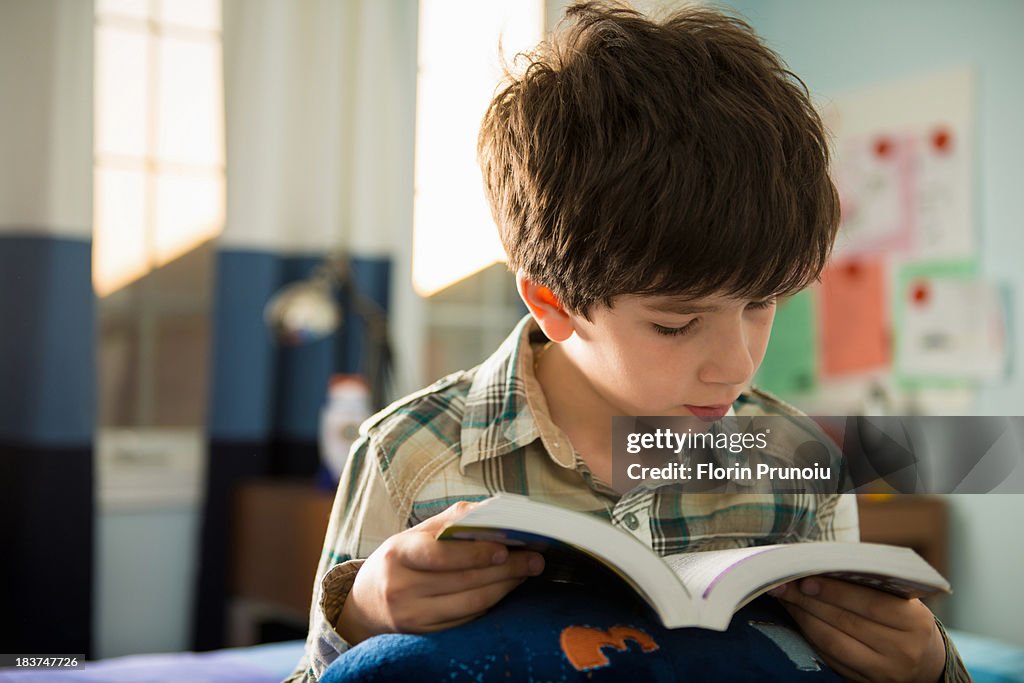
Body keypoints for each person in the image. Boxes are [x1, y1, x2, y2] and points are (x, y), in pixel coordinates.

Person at [286, 2, 967, 681]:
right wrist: (366, 615)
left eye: (763, 303)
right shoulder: (408, 456)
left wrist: (929, 667)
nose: (735, 365)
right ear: (553, 302)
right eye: (676, 323)